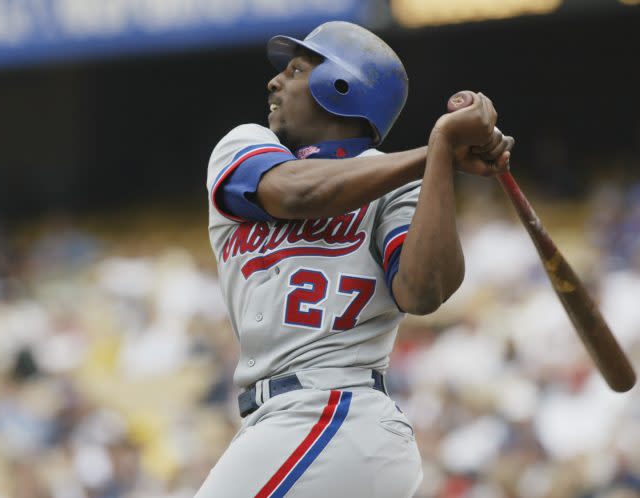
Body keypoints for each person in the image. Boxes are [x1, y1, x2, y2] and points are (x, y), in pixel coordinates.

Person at [198, 21, 514, 498]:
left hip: (334, 412)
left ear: (340, 85)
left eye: (297, 69)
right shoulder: (245, 145)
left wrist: (440, 164)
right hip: (288, 426)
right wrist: (438, 151)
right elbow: (298, 192)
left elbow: (423, 292)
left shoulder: (402, 185)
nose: (274, 81)